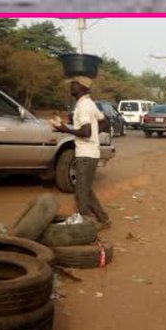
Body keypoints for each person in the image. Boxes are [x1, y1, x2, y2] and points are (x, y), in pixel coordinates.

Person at [51, 78, 110, 228]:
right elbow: (104, 121)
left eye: (74, 84)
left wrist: (65, 130)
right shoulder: (89, 104)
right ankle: (103, 220)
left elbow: (86, 132)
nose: (71, 86)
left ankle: (85, 225)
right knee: (85, 190)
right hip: (91, 153)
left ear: (82, 87)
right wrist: (96, 132)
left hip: (86, 154)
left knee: (80, 193)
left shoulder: (84, 106)